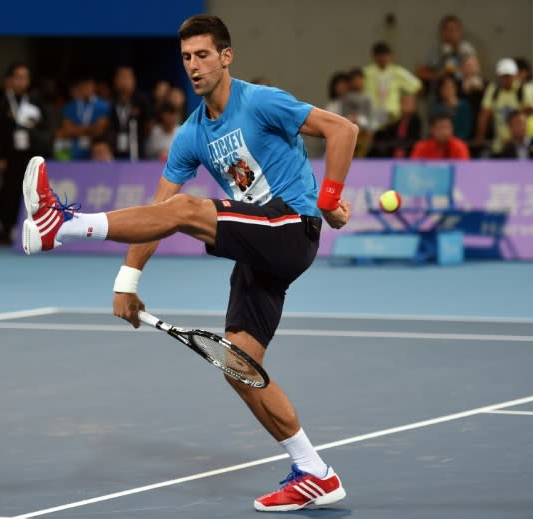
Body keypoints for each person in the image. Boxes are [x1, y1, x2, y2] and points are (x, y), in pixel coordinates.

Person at [20, 14, 356, 512]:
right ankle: (314, 471)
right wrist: (126, 280)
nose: (193, 66)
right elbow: (157, 214)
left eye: (202, 55)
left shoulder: (260, 101)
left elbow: (341, 129)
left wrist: (328, 200)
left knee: (187, 211)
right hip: (257, 248)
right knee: (239, 364)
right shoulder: (191, 135)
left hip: (290, 226)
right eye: (186, 58)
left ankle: (61, 227)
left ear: (226, 56)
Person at [0, 62, 50, 244]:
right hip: (10, 156)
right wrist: (0, 157)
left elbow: (44, 128)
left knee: (32, 193)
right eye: (18, 77)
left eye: (24, 78)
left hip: (30, 155)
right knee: (10, 192)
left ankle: (34, 231)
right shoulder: (2, 104)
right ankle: (6, 231)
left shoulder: (35, 102)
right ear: (10, 80)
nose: (21, 81)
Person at [474, 58, 533, 157]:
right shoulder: (494, 90)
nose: (507, 79)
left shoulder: (523, 90)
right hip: (499, 145)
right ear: (499, 76)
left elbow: (530, 111)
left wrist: (515, 135)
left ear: (515, 75)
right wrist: (480, 135)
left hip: (519, 145)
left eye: (509, 76)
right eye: (504, 76)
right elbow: (485, 113)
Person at [415, 15, 477, 102]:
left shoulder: (467, 49)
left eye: (454, 30)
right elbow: (420, 72)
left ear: (459, 32)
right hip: (442, 96)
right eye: (448, 30)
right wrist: (439, 75)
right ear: (443, 33)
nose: (451, 33)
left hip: (463, 94)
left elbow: (475, 70)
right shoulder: (438, 51)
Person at [363, 41, 422, 130]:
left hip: (393, 116)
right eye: (380, 55)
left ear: (390, 55)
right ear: (374, 56)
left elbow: (417, 86)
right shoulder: (366, 72)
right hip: (371, 116)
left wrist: (406, 102)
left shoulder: (397, 72)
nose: (383, 58)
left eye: (385, 55)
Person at [57, 75, 110, 160]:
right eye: (83, 85)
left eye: (88, 85)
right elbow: (67, 129)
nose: (85, 88)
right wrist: (90, 130)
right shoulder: (70, 106)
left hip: (95, 152)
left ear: (93, 86)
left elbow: (100, 130)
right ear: (79, 87)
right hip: (74, 152)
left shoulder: (104, 106)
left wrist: (77, 129)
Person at [108, 65, 152, 160]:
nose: (124, 81)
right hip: (117, 150)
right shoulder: (112, 101)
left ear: (133, 81)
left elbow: (148, 125)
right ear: (115, 81)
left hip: (137, 149)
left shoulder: (142, 100)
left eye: (127, 77)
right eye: (121, 77)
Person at [367, 94, 423, 158]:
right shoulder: (395, 122)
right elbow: (387, 138)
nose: (405, 105)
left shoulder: (417, 122)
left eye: (408, 102)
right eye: (403, 102)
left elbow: (415, 142)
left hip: (409, 157)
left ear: (414, 105)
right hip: (391, 157)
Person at [428, 74, 473, 141]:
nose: (448, 90)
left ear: (456, 88)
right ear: (440, 90)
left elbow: (466, 129)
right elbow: (434, 128)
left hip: (461, 142)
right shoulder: (436, 108)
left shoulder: (464, 106)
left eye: (451, 87)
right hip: (439, 142)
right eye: (445, 87)